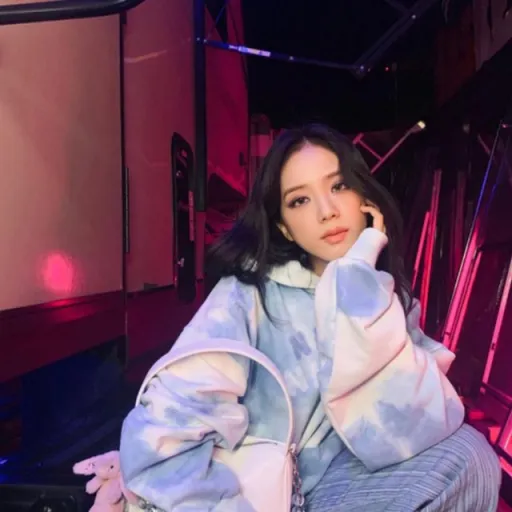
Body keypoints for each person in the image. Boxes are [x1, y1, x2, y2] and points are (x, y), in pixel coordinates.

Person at [118, 124, 502, 511]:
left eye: (339, 186)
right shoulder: (248, 295)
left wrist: (358, 278)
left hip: (330, 481)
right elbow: (161, 440)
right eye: (300, 200)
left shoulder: (386, 297)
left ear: (363, 196)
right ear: (284, 227)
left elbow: (418, 427)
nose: (327, 211)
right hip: (261, 497)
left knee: (472, 458)